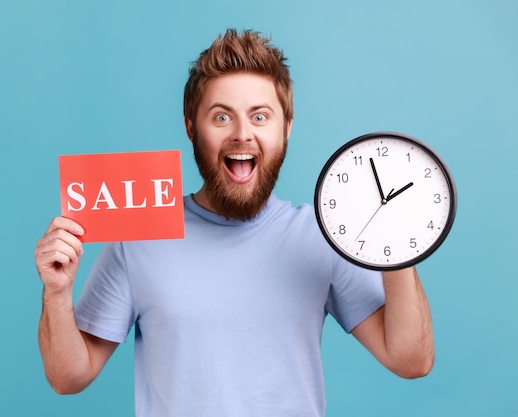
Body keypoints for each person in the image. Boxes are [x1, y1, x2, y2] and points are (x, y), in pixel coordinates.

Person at [35, 28, 434, 417]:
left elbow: (410, 360)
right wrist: (56, 292)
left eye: (260, 116)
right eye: (222, 117)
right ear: (192, 128)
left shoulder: (319, 235)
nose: (243, 134)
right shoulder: (139, 235)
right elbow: (68, 378)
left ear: (286, 129)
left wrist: (395, 245)